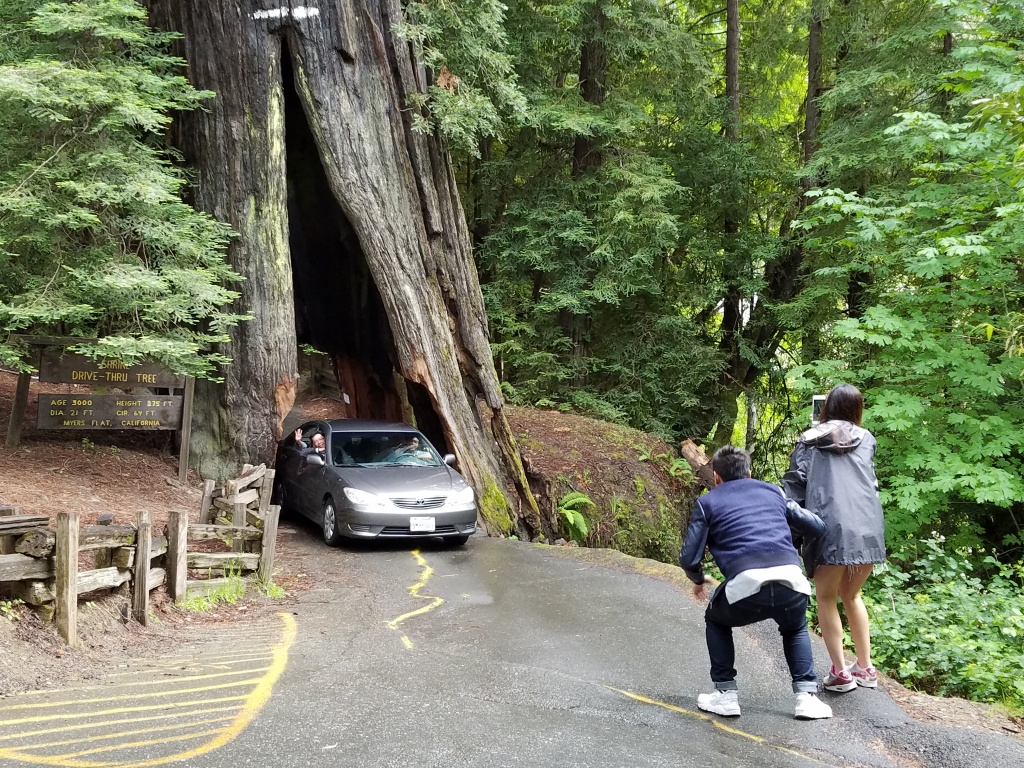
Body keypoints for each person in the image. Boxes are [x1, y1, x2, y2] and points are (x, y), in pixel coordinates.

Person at [679, 445, 833, 720]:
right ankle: (806, 698)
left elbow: (689, 557)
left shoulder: (708, 502)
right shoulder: (773, 491)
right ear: (749, 473)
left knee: (716, 620)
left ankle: (726, 695)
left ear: (716, 477)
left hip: (746, 585)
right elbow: (817, 527)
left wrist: (699, 579)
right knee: (795, 627)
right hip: (792, 581)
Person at [783, 384, 886, 693]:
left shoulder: (809, 440)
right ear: (857, 409)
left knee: (827, 598)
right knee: (853, 596)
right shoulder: (867, 439)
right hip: (868, 526)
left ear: (826, 407)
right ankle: (865, 668)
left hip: (828, 526)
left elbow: (796, 486)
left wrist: (793, 533)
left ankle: (841, 673)